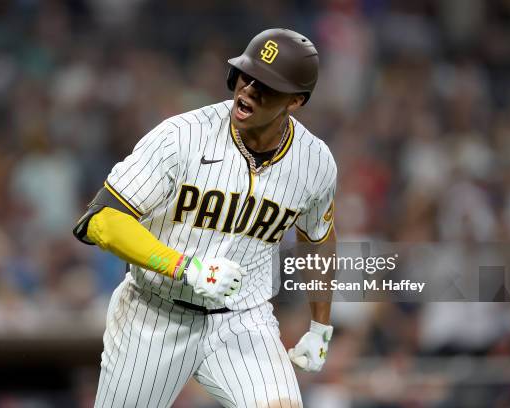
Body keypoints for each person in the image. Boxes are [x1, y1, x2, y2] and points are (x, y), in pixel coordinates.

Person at [74, 28, 337, 408]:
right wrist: (184, 266)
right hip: (154, 312)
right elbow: (101, 221)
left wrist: (320, 326)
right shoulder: (181, 137)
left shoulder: (315, 162)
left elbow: (319, 236)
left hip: (243, 319)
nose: (250, 89)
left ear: (296, 101)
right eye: (247, 76)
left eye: (268, 85)